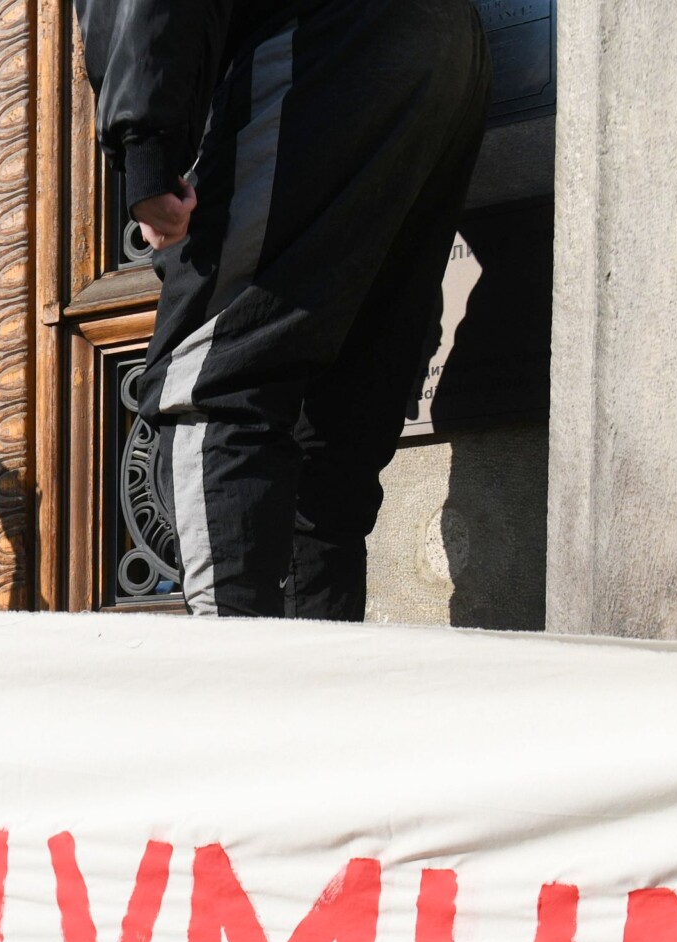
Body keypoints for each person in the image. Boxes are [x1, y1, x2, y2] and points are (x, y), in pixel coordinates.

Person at [81, 0, 489, 618]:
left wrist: (148, 144)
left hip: (318, 34)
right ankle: (316, 700)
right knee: (336, 425)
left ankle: (236, 697)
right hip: (447, 49)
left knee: (214, 376)